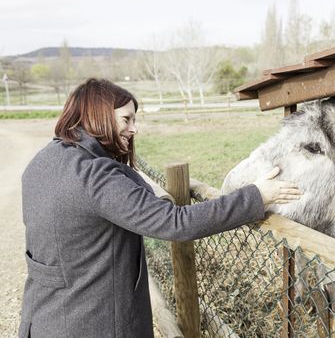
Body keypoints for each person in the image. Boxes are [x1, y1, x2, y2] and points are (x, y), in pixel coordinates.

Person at [18, 78, 301, 338]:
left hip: (42, 319)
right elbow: (176, 223)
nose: (134, 128)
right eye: (126, 119)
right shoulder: (94, 177)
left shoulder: (43, 161)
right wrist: (256, 196)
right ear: (96, 115)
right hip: (92, 324)